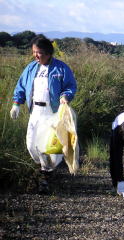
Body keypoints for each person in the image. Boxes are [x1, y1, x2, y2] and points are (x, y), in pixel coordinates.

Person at [10, 35, 77, 193]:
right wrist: (16, 104)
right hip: (35, 112)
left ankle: (45, 179)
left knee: (49, 146)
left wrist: (66, 96)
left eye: (38, 52)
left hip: (52, 112)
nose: (35, 55)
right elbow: (21, 86)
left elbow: (70, 86)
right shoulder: (31, 68)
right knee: (31, 145)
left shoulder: (61, 68)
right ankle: (44, 169)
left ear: (48, 53)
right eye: (34, 52)